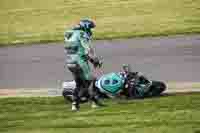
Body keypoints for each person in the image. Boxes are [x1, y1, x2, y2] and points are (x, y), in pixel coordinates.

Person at [64, 19, 102, 111]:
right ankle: (81, 103)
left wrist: (92, 61)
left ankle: (88, 103)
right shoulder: (81, 34)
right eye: (90, 28)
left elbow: (78, 51)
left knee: (79, 83)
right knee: (89, 81)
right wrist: (95, 60)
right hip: (79, 62)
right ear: (85, 27)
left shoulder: (69, 34)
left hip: (70, 62)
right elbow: (88, 50)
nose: (90, 31)